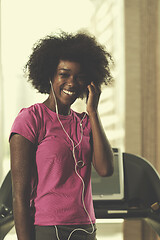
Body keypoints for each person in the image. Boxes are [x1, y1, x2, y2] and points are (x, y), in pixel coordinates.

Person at [9, 31, 114, 240]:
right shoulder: (31, 119)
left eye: (79, 77)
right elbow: (19, 197)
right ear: (50, 75)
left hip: (86, 228)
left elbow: (105, 169)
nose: (72, 83)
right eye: (64, 74)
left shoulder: (85, 122)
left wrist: (93, 111)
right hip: (48, 230)